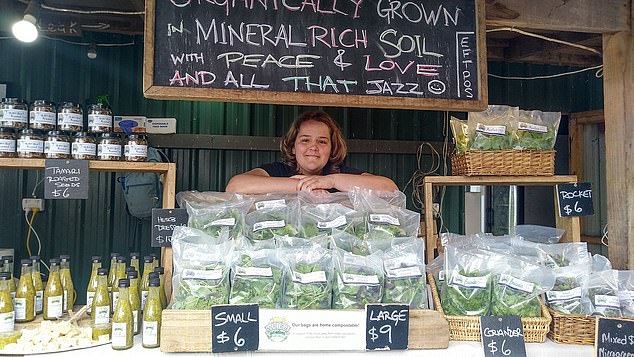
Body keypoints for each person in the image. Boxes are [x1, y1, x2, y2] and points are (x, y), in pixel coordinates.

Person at [226, 110, 398, 194]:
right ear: (293, 147)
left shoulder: (340, 174)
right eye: (305, 140)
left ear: (332, 148)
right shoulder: (277, 171)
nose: (313, 147)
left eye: (322, 141)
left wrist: (330, 181)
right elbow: (235, 186)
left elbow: (390, 189)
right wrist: (305, 187)